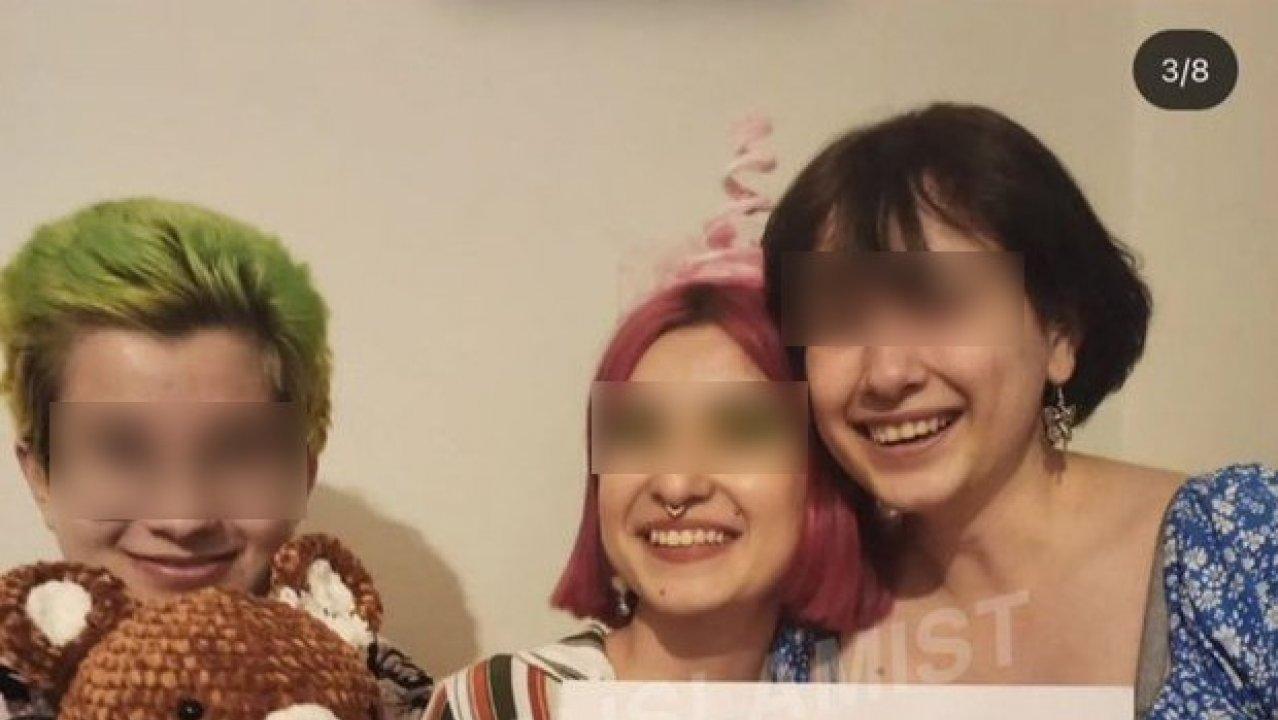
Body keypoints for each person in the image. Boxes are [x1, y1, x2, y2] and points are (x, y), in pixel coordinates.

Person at [761, 102, 1278, 713]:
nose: (888, 373)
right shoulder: (810, 633)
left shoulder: (1240, 547)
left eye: (936, 302)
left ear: (1060, 334)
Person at [426, 119, 887, 720]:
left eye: (739, 432)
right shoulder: (507, 704)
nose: (675, 484)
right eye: (638, 433)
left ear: (820, 471)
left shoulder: (884, 682)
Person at [0, 198, 432, 720]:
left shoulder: (390, 701)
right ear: (41, 477)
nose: (183, 517)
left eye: (236, 452)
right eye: (123, 451)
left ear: (302, 476)